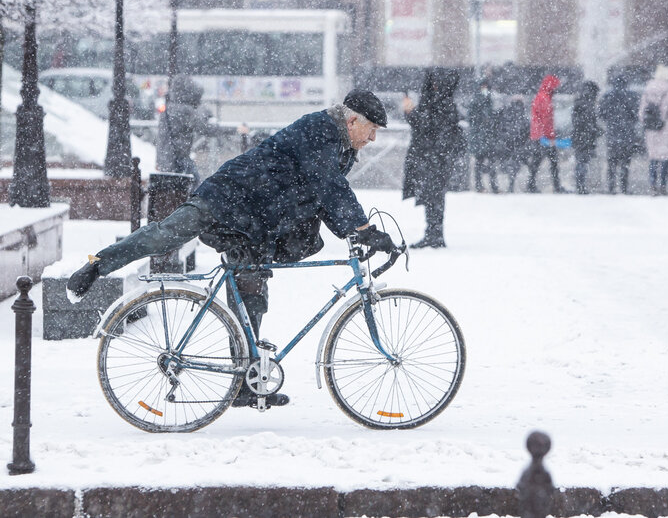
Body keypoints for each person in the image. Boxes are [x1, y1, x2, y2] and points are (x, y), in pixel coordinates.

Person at [67, 89, 394, 407]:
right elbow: (328, 183)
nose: (373, 139)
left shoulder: (341, 148)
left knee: (252, 295)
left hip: (255, 221)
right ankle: (97, 265)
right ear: (353, 121)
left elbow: (322, 194)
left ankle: (243, 383)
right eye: (372, 130)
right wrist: (362, 228)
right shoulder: (320, 129)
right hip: (227, 196)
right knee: (164, 235)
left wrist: (355, 232)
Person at [402, 68, 464, 249]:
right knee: (433, 197)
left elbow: (425, 125)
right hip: (436, 158)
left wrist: (410, 112)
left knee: (433, 197)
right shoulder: (445, 103)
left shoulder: (439, 105)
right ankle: (433, 233)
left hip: (433, 158)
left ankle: (434, 234)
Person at [155, 75, 222, 187]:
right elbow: (204, 128)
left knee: (173, 192)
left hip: (165, 159)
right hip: (178, 159)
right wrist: (231, 130)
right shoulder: (185, 111)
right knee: (196, 188)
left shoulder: (169, 108)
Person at [639, 65, 668, 195]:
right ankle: (662, 185)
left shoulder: (647, 90)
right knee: (665, 157)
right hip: (666, 128)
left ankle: (652, 185)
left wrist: (649, 121)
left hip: (651, 129)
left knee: (653, 157)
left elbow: (641, 113)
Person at [598, 73, 640, 194]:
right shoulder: (631, 96)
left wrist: (611, 121)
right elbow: (636, 114)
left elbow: (601, 113)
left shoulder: (608, 96)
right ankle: (624, 187)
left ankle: (611, 187)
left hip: (612, 133)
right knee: (625, 163)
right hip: (627, 134)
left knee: (611, 162)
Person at [528, 74, 565, 193]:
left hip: (537, 135)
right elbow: (546, 120)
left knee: (537, 162)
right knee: (553, 162)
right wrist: (550, 137)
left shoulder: (540, 97)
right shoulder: (545, 99)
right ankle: (556, 186)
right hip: (544, 137)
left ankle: (531, 184)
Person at [570, 80, 602, 195]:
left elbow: (577, 121)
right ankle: (581, 185)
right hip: (586, 137)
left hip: (579, 136)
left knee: (581, 161)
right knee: (582, 162)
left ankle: (580, 184)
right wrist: (595, 130)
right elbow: (588, 122)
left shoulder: (579, 102)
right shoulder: (588, 104)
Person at [467, 79, 498, 193]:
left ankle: (493, 186)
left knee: (490, 162)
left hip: (487, 137)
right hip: (480, 137)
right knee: (480, 163)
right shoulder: (476, 101)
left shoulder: (488, 100)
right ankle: (480, 186)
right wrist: (481, 120)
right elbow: (471, 118)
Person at [496, 95, 530, 192]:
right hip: (517, 142)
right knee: (515, 164)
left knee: (509, 164)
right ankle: (512, 183)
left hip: (508, 142)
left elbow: (501, 125)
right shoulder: (521, 113)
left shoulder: (507, 111)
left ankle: (509, 183)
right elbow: (525, 127)